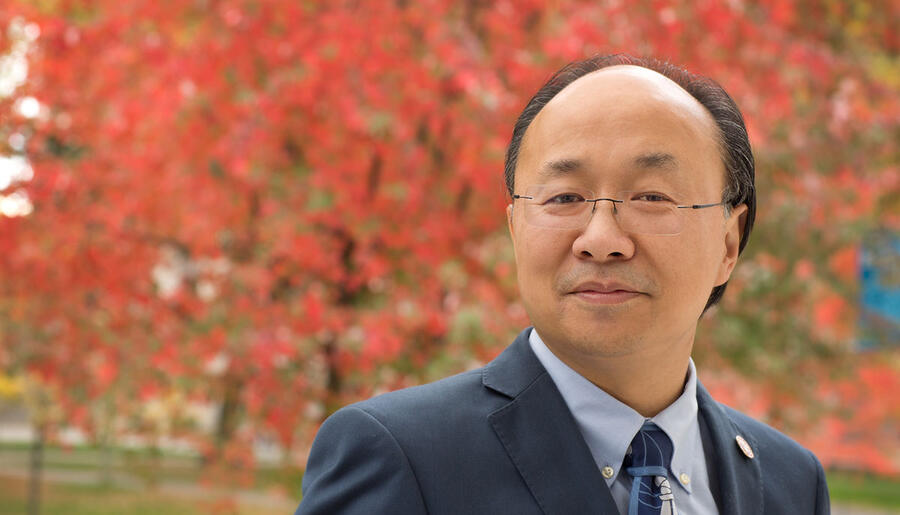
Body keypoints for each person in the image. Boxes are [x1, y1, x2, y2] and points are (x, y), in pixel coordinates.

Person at [296, 54, 830, 514]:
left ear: (729, 244)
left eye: (651, 197)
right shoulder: (401, 455)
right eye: (563, 198)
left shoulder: (791, 483)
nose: (601, 240)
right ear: (515, 229)